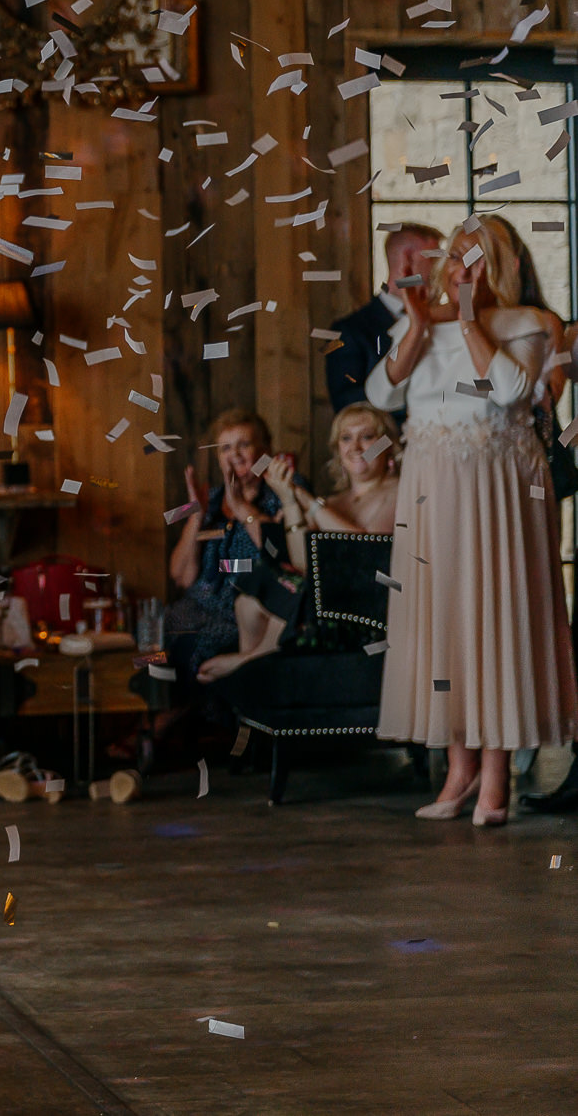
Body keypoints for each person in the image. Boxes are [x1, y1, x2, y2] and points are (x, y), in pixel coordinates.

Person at [367, 213, 578, 826]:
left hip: (498, 488)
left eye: (478, 257)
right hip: (433, 485)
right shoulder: (421, 326)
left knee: (496, 619)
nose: (463, 269)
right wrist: (416, 329)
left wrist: (465, 323)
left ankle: (495, 780)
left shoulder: (533, 324)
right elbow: (383, 395)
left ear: (504, 265)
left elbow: (509, 389)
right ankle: (457, 772)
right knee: (445, 622)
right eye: (457, 257)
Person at [195, 403, 400, 680]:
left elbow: (363, 548)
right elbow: (301, 561)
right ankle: (254, 695)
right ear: (337, 449)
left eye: (367, 436)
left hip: (366, 607)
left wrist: (307, 500)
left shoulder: (398, 490)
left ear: (388, 446)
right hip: (326, 597)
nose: (356, 446)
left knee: (296, 590)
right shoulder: (333, 502)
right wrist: (291, 500)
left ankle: (249, 661)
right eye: (346, 438)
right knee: (249, 600)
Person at [164, 409, 292, 687]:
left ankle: (176, 723)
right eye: (225, 448)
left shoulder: (282, 492)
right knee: (150, 640)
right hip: (194, 609)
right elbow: (180, 577)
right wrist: (196, 517)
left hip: (244, 617)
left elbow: (284, 557)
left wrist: (241, 508)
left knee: (194, 648)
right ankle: (164, 719)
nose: (235, 454)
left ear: (265, 450)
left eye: (244, 445)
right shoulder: (209, 497)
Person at [325, 223, 446, 416]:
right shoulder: (349, 331)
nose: (443, 270)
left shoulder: (442, 322)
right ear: (407, 259)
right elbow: (347, 404)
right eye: (434, 259)